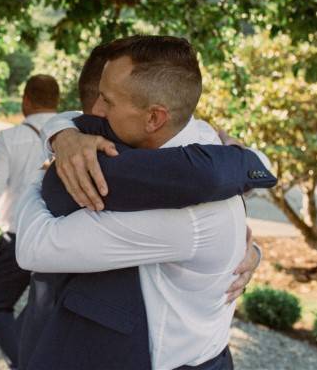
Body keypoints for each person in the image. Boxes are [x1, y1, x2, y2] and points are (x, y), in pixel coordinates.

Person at [16, 36, 276, 370]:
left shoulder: (183, 210)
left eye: (107, 100)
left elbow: (34, 246)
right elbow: (249, 163)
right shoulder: (197, 137)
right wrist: (61, 136)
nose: (96, 110)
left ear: (154, 118)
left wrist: (43, 175)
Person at [0, 75, 59, 368]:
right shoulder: (77, 133)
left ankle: (23, 363)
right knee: (42, 308)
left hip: (20, 237)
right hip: (61, 240)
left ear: (26, 100)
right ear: (57, 101)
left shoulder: (10, 138)